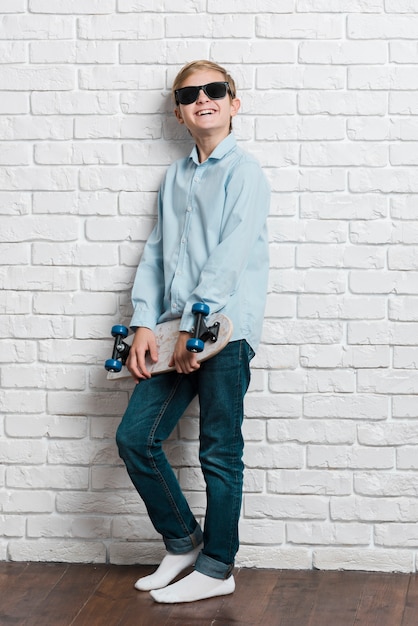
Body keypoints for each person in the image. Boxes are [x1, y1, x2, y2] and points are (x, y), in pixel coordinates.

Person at [116, 60, 270, 604]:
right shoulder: (175, 177)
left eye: (214, 90)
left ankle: (217, 566)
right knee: (136, 437)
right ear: (180, 111)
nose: (202, 98)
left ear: (233, 102)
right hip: (174, 330)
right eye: (189, 93)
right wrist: (142, 323)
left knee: (219, 452)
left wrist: (196, 324)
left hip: (222, 332)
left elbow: (229, 256)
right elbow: (157, 254)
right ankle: (182, 541)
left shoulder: (245, 173)